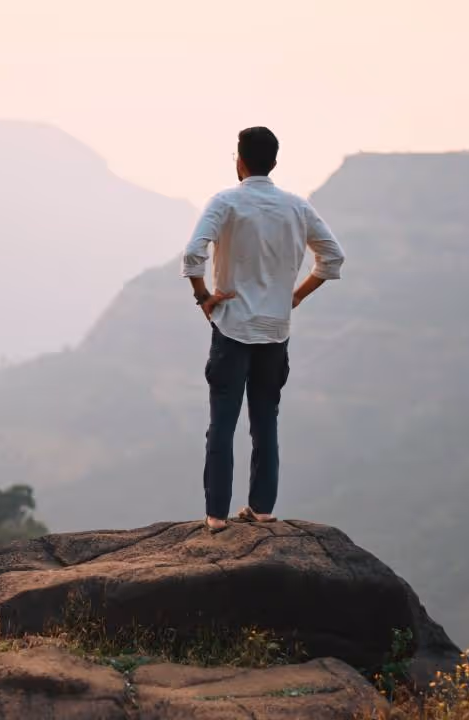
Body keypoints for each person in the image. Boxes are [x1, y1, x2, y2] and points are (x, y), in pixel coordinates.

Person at [181, 126, 345, 534]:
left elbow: (193, 253)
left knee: (222, 422)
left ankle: (216, 516)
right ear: (274, 161)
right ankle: (262, 508)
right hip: (276, 332)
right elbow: (333, 257)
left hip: (232, 326)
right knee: (265, 421)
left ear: (239, 160)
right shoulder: (297, 208)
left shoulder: (225, 202)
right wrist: (297, 295)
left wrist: (203, 296)